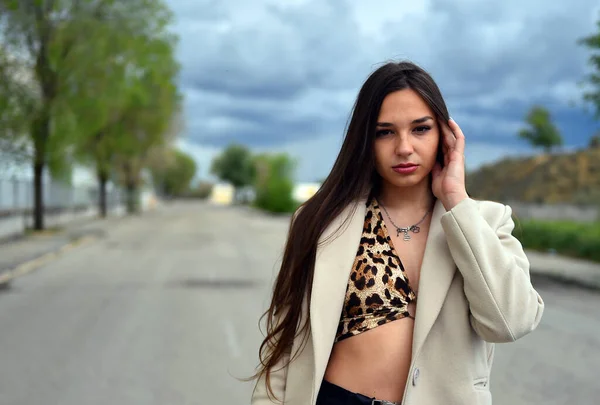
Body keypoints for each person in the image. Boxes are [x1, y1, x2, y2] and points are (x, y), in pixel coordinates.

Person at [249, 61, 545, 405]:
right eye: (384, 132)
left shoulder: (486, 221)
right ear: (364, 140)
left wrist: (455, 200)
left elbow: (511, 322)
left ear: (444, 136)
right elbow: (285, 347)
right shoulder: (322, 221)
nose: (404, 147)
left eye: (420, 129)